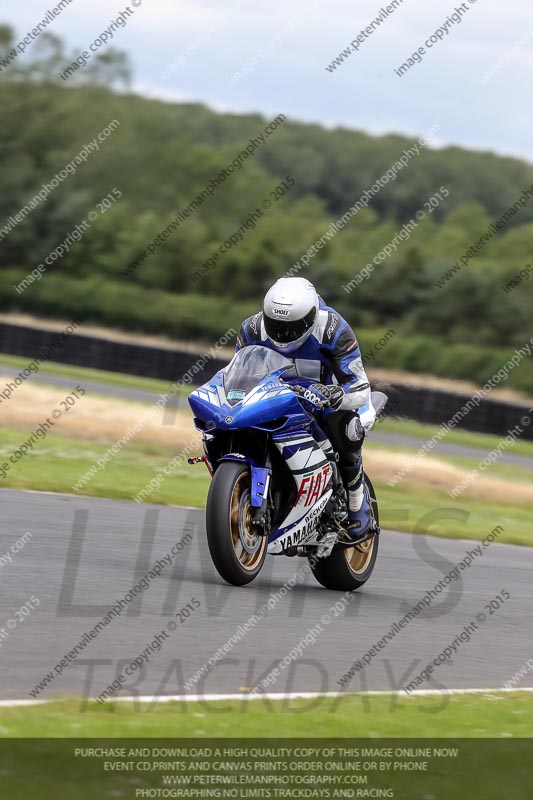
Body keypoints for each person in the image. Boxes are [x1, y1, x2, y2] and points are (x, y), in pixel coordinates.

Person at [235, 276, 376, 542]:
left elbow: (360, 387)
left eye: (293, 327)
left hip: (326, 400)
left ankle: (357, 503)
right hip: (273, 397)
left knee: (345, 426)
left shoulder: (334, 330)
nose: (283, 334)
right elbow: (239, 374)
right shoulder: (252, 329)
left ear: (311, 317)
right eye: (275, 325)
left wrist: (334, 394)